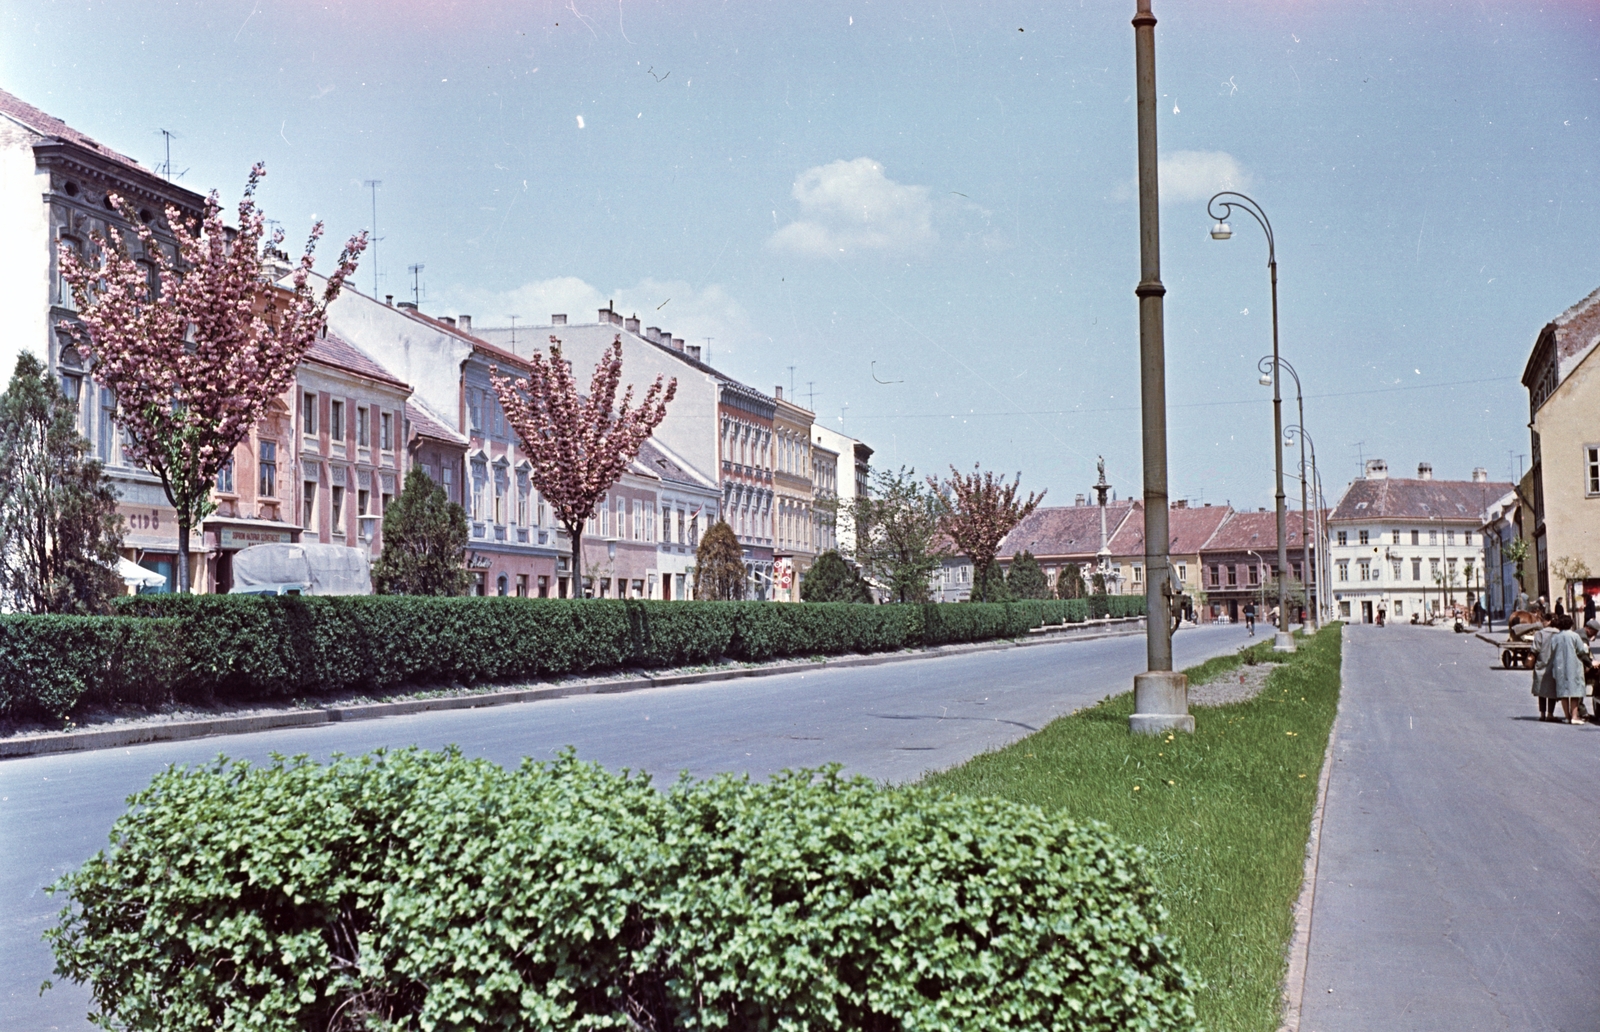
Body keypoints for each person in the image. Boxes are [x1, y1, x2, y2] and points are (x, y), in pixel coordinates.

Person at [1542, 614, 1591, 724]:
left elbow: (1551, 652)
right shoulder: (1574, 636)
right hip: (1573, 667)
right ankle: (1574, 717)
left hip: (1559, 667)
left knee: (1563, 692)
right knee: (1574, 692)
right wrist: (1589, 663)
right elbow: (1581, 652)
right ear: (1570, 624)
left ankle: (1567, 717)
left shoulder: (1555, 637)